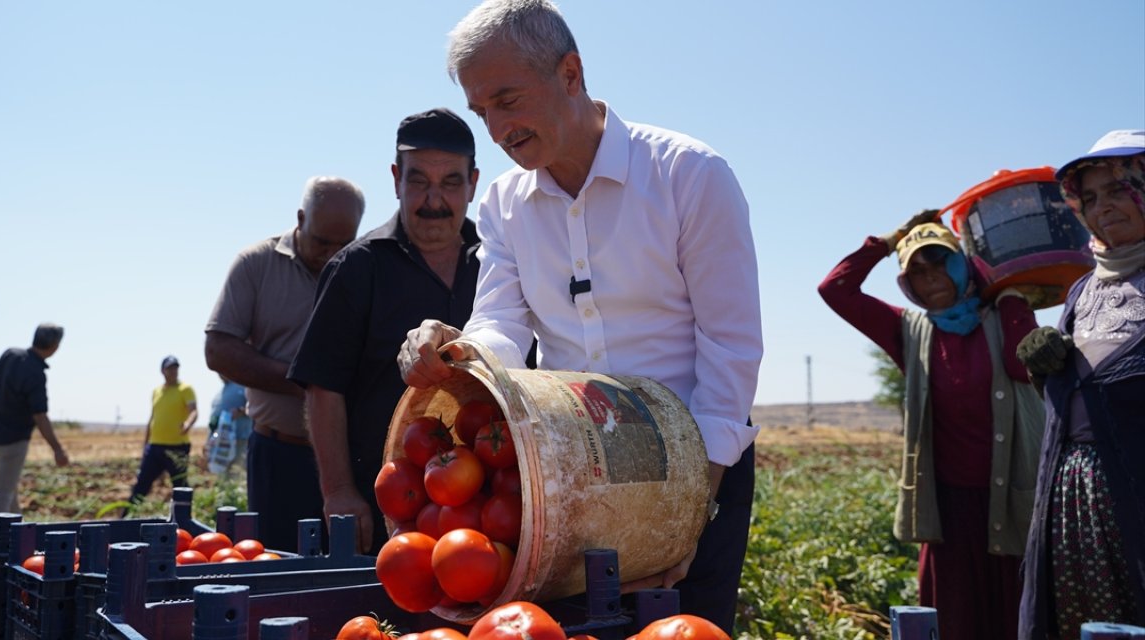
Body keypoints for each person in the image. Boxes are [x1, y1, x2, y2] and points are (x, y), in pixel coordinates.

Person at [397, 1, 762, 630]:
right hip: (572, 470)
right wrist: (456, 349)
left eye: (508, 100)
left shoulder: (688, 175)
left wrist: (689, 506)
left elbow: (730, 350)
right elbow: (502, 326)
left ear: (570, 73)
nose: (498, 128)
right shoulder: (505, 203)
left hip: (701, 460)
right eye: (483, 111)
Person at [818, 212, 1043, 640]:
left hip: (1012, 504)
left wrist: (1011, 295)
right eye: (916, 271)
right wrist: (888, 242)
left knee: (1015, 621)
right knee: (953, 622)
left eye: (940, 260)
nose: (930, 276)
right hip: (948, 512)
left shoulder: (1005, 314)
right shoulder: (910, 330)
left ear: (964, 265)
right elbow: (835, 289)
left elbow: (1021, 365)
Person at [291, 108, 480, 553]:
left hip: (484, 507)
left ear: (473, 181)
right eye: (418, 181)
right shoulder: (357, 268)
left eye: (451, 182)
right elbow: (323, 388)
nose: (433, 200)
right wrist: (337, 490)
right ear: (396, 179)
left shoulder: (498, 263)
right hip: (387, 506)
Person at [1016, 129, 1145, 639]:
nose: (1102, 207)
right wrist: (1041, 367)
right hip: (1070, 505)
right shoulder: (1082, 290)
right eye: (1089, 198)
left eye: (1118, 189)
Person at [204, 176, 365, 551]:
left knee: (345, 574)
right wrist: (305, 380)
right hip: (280, 454)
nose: (330, 255)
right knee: (278, 565)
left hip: (350, 457)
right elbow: (219, 349)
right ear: (300, 218)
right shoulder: (256, 265)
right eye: (321, 242)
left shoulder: (363, 266)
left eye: (342, 244)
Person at [0, 323, 70, 514]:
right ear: (54, 346)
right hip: (12, 444)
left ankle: (17, 537)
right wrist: (57, 449)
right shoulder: (36, 373)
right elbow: (40, 417)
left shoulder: (11, 354)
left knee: (8, 489)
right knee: (3, 494)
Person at [128, 356, 198, 506]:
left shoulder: (185, 389)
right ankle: (126, 518)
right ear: (162, 371)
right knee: (141, 485)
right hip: (155, 446)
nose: (173, 371)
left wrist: (187, 424)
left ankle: (185, 522)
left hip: (177, 447)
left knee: (181, 487)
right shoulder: (156, 391)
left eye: (175, 368)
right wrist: (145, 444)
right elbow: (152, 418)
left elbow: (194, 411)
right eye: (170, 368)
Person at [205, 374, 250, 473]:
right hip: (221, 445)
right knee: (223, 476)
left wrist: (240, 411)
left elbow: (255, 408)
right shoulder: (219, 394)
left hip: (240, 441)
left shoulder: (243, 387)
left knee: (238, 474)